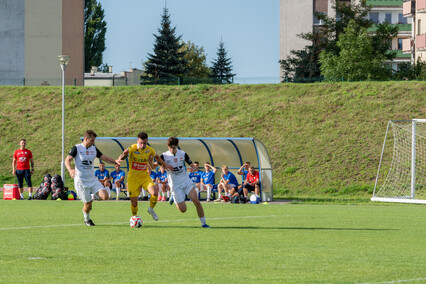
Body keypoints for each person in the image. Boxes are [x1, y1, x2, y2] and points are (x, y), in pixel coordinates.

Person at [65, 130, 121, 226]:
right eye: (91, 140)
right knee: (87, 205)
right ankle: (87, 219)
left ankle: (91, 197)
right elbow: (67, 159)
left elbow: (105, 158)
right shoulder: (77, 148)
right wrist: (70, 170)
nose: (93, 142)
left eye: (94, 140)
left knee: (105, 196)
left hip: (92, 179)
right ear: (86, 139)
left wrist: (115, 161)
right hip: (81, 181)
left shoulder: (93, 148)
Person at [118, 131, 172, 221]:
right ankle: (134, 217)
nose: (142, 145)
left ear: (147, 141)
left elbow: (157, 157)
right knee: (134, 203)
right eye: (141, 143)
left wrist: (165, 165)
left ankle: (151, 209)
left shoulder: (149, 149)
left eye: (145, 143)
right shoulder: (132, 148)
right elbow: (125, 154)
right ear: (137, 141)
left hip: (145, 177)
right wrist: (123, 156)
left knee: (154, 193)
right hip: (133, 179)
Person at [160, 137, 209, 228]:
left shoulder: (182, 154)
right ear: (168, 146)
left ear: (177, 146)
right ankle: (173, 197)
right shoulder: (164, 156)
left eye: (174, 147)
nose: (172, 149)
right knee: (183, 210)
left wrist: (193, 169)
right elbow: (157, 165)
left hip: (186, 181)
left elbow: (192, 165)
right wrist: (161, 166)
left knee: (196, 201)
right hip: (175, 185)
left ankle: (204, 223)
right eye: (170, 147)